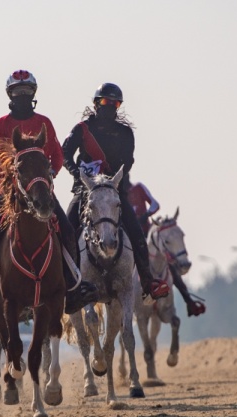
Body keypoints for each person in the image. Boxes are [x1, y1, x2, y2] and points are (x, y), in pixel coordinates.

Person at [0, 70, 98, 314]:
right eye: (17, 93)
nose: (22, 97)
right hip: (11, 192)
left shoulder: (44, 122)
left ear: (33, 94)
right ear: (10, 95)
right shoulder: (2, 124)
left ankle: (73, 288)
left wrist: (48, 176)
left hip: (41, 191)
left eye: (26, 93)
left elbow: (56, 155)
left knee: (67, 228)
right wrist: (3, 178)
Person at [61, 82, 170, 303]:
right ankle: (64, 284)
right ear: (96, 103)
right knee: (65, 229)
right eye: (104, 101)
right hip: (86, 191)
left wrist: (112, 183)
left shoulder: (125, 133)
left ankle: (148, 281)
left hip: (113, 192)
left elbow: (128, 161)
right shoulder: (82, 129)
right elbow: (64, 153)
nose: (109, 106)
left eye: (115, 103)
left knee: (137, 232)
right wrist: (78, 175)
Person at [125, 181, 205, 317]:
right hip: (128, 238)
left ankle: (188, 301)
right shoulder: (113, 193)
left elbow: (155, 205)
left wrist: (144, 217)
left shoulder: (138, 188)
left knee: (169, 264)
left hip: (147, 234)